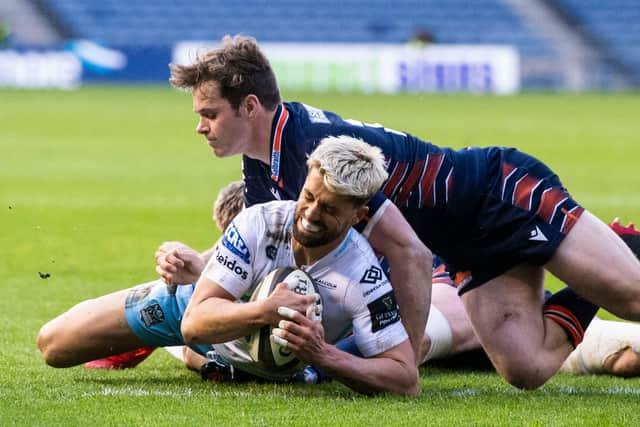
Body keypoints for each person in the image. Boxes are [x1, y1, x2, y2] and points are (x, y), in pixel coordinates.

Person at [168, 35, 640, 390]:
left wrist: (404, 358)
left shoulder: (311, 151)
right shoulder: (263, 161)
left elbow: (410, 253)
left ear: (249, 107)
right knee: (526, 369)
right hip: (465, 244)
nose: (199, 126)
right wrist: (202, 263)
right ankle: (619, 244)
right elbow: (259, 244)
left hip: (500, 194)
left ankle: (619, 252)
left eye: (208, 113)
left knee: (632, 299)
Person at [37, 137, 418, 396]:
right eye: (308, 197)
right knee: (55, 344)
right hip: (204, 312)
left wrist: (323, 355)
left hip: (265, 359)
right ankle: (170, 343)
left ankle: (206, 359)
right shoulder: (259, 221)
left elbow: (405, 378)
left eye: (330, 209)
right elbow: (194, 322)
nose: (310, 215)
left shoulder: (362, 275)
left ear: (358, 215)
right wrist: (263, 310)